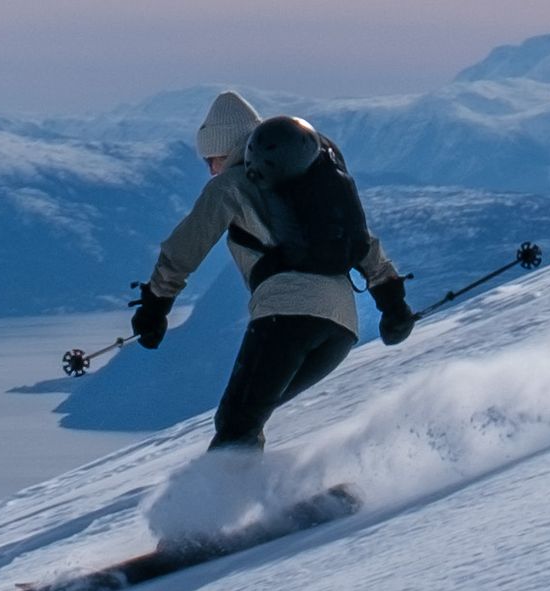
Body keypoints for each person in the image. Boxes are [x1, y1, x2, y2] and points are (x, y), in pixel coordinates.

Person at [130, 89, 414, 449]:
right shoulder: (310, 179)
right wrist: (392, 304)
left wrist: (155, 306)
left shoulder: (230, 184)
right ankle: (276, 497)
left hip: (287, 316)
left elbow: (184, 248)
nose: (210, 169)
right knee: (245, 417)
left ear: (227, 150)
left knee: (236, 423)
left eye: (211, 159)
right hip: (340, 329)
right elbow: (362, 242)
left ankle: (225, 503)